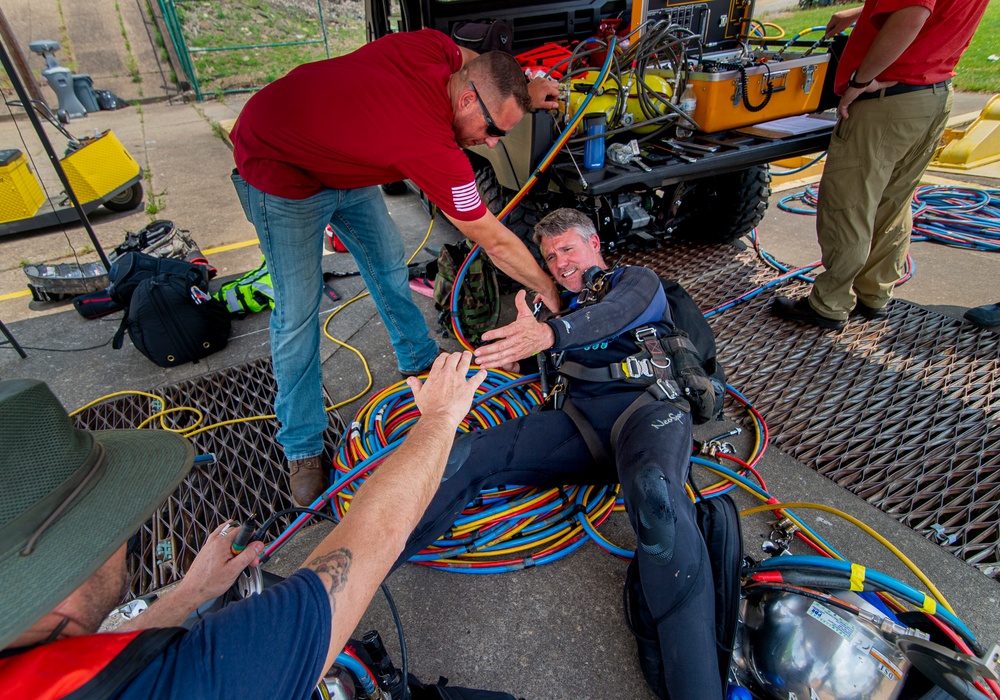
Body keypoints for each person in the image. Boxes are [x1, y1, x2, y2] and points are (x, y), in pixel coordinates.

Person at [0, 354, 485, 698]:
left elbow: (96, 667)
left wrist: (189, 596)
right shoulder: (194, 683)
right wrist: (440, 417)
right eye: (111, 516)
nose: (126, 534)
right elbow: (371, 540)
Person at [394, 208, 726, 700]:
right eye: (550, 257)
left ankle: (697, 689)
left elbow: (615, 312)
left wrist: (553, 334)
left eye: (568, 248)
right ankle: (357, 572)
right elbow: (535, 349)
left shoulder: (636, 282)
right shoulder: (553, 311)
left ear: (595, 244)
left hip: (648, 411)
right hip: (579, 427)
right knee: (468, 454)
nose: (561, 262)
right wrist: (538, 333)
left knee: (656, 501)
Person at [229, 30, 562, 508]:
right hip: (280, 167)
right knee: (298, 312)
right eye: (493, 131)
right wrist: (547, 287)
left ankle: (418, 361)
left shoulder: (436, 54)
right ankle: (301, 447)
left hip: (345, 160)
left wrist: (527, 86)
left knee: (387, 264)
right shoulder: (427, 142)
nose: (490, 143)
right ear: (466, 99)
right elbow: (493, 238)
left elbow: (476, 60)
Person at [772, 0, 989, 330]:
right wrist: (861, 12)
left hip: (888, 96)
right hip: (933, 91)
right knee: (893, 202)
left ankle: (829, 303)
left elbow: (913, 13)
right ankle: (874, 294)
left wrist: (860, 81)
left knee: (850, 203)